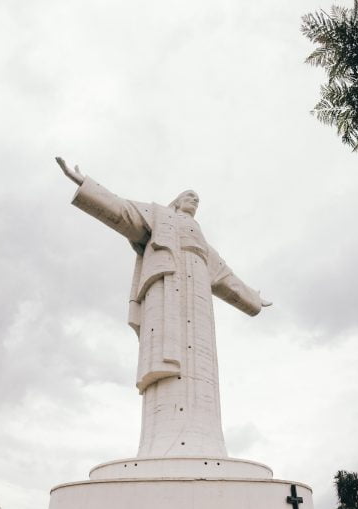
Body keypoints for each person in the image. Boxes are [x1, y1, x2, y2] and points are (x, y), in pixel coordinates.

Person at [56, 157, 270, 458]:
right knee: (168, 355)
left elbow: (225, 277)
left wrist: (253, 299)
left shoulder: (203, 246)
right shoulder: (159, 217)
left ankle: (205, 441)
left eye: (197, 199)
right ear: (176, 201)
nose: (194, 200)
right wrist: (85, 184)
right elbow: (123, 210)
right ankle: (164, 443)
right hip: (167, 287)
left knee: (201, 365)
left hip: (198, 296)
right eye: (189, 195)